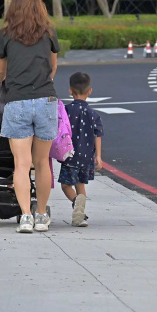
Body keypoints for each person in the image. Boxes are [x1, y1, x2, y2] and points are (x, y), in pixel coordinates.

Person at [0, 0, 60, 234]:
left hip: (17, 101)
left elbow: (1, 72)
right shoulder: (48, 32)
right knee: (42, 162)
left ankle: (25, 217)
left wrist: (5, 80)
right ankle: (41, 214)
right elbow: (53, 68)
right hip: (45, 100)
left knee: (22, 164)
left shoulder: (5, 34)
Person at [59, 72, 103, 227]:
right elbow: (98, 135)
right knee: (80, 185)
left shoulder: (66, 110)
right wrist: (98, 156)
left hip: (70, 155)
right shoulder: (93, 114)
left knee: (66, 185)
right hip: (87, 157)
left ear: (70, 91)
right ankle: (81, 216)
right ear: (90, 91)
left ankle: (77, 203)